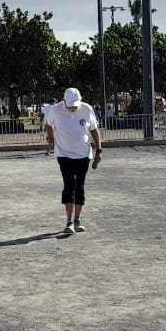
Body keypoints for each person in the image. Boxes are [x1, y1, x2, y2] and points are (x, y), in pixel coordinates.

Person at [45, 87, 102, 233]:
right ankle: (69, 222)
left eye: (75, 104)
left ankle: (77, 220)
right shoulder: (56, 110)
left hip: (83, 154)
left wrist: (99, 151)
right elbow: (49, 124)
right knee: (69, 185)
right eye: (70, 104)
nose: (73, 107)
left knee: (80, 187)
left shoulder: (87, 109)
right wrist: (51, 137)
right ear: (64, 101)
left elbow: (94, 130)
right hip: (63, 154)